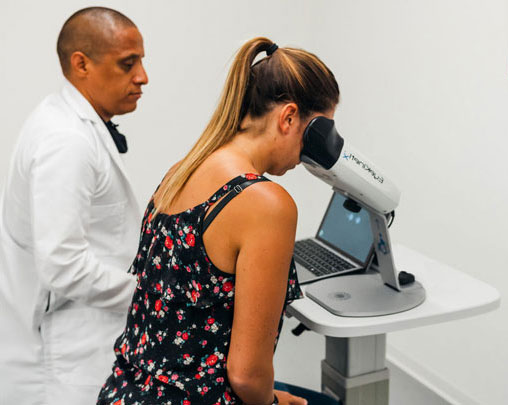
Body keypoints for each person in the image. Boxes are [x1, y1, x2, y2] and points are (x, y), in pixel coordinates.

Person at [96, 37, 340, 405]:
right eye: (317, 136)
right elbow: (245, 374)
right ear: (289, 118)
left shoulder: (182, 170)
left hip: (124, 391)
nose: (310, 157)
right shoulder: (266, 203)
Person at [0, 7, 148, 404]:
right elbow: (62, 265)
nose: (142, 77)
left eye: (141, 62)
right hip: (65, 355)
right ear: (81, 64)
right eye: (127, 63)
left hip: (78, 338)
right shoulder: (66, 141)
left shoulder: (65, 120)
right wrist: (151, 295)